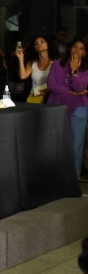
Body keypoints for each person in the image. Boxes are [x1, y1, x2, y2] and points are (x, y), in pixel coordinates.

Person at [47, 37, 88, 179]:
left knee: (75, 144)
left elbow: (80, 87)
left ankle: (73, 178)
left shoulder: (86, 69)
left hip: (79, 108)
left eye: (81, 48)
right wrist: (69, 91)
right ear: (70, 48)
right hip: (57, 106)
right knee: (55, 142)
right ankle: (54, 177)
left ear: (85, 53)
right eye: (75, 46)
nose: (77, 50)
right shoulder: (57, 64)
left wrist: (74, 71)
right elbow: (51, 85)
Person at [16, 35, 57, 103]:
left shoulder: (56, 62)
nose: (38, 44)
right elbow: (22, 76)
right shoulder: (32, 63)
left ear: (49, 44)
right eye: (36, 43)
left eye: (42, 42)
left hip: (50, 97)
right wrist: (20, 58)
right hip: (35, 97)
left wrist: (48, 90)